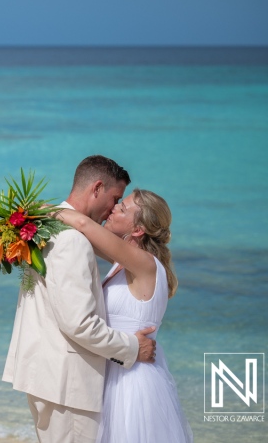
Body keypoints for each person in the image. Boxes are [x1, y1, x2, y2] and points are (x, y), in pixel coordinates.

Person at [2, 155, 157, 443]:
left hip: (48, 375)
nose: (112, 209)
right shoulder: (72, 240)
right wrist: (134, 347)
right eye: (115, 198)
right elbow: (80, 325)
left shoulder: (43, 224)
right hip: (66, 384)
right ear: (97, 188)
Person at [54, 188, 193, 442]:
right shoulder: (123, 263)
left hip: (131, 382)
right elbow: (80, 234)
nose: (114, 208)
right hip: (117, 367)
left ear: (138, 230)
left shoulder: (145, 263)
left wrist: (30, 213)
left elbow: (83, 223)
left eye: (122, 208)